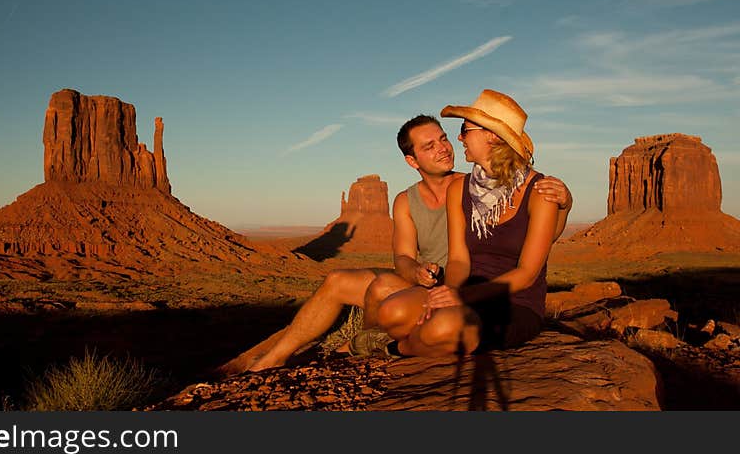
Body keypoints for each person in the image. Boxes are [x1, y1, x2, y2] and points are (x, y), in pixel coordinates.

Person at [244, 111, 571, 371]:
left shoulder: (529, 189)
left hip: (500, 297)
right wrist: (426, 278)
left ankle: (379, 349)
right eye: (430, 145)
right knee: (361, 291)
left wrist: (564, 205)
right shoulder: (428, 196)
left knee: (401, 303)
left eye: (452, 135)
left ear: (493, 137)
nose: (450, 144)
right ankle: (275, 358)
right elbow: (434, 258)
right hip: (451, 285)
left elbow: (533, 251)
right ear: (412, 161)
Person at [374, 89, 557, 357]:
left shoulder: (540, 192)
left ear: (491, 136)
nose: (459, 138)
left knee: (442, 329)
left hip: (513, 303)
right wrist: (450, 294)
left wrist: (461, 300)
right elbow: (459, 260)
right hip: (467, 292)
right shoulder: (459, 189)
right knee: (392, 311)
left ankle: (399, 348)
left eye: (465, 129)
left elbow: (527, 273)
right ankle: (427, 336)